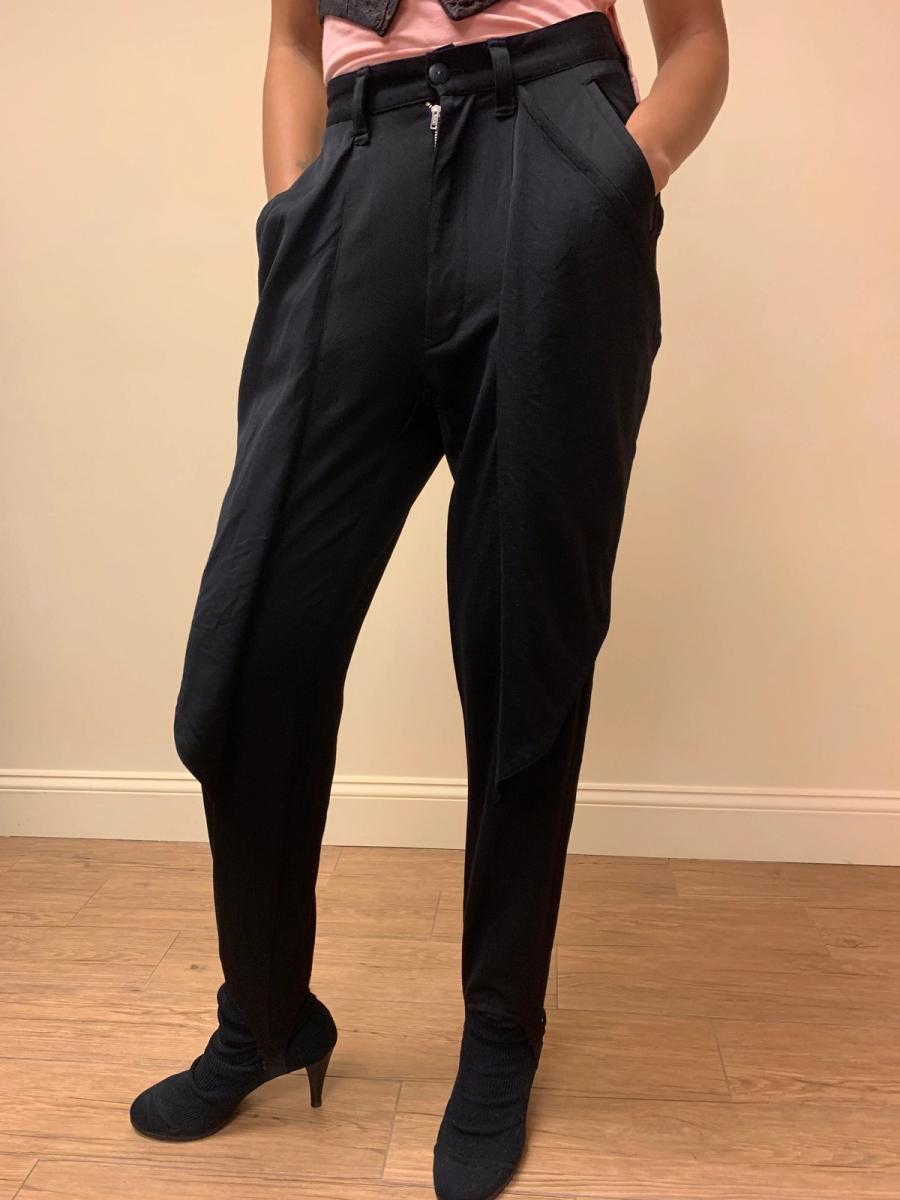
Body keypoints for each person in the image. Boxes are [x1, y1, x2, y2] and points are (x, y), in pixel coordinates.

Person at [130, 1, 728, 1196]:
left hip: (550, 149)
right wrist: (293, 206)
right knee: (253, 645)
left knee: (522, 629)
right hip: (357, 173)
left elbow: (699, 44)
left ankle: (501, 1025)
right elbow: (291, 37)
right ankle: (265, 1013)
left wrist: (621, 175)